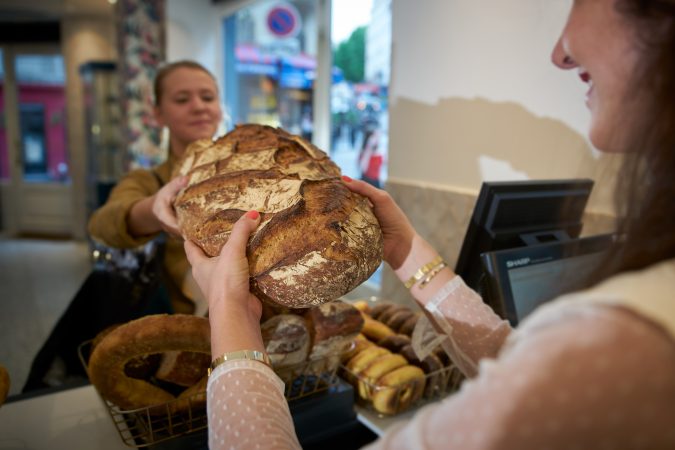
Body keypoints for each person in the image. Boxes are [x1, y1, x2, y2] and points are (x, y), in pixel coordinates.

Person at [184, 1, 675, 449]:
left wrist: (230, 317)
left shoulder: (631, 338)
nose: (559, 53)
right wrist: (408, 251)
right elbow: (523, 367)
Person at [89, 60, 223, 315]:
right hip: (191, 330)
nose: (199, 107)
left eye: (208, 97)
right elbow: (102, 224)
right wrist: (155, 209)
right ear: (158, 113)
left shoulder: (248, 172)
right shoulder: (148, 180)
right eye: (182, 99)